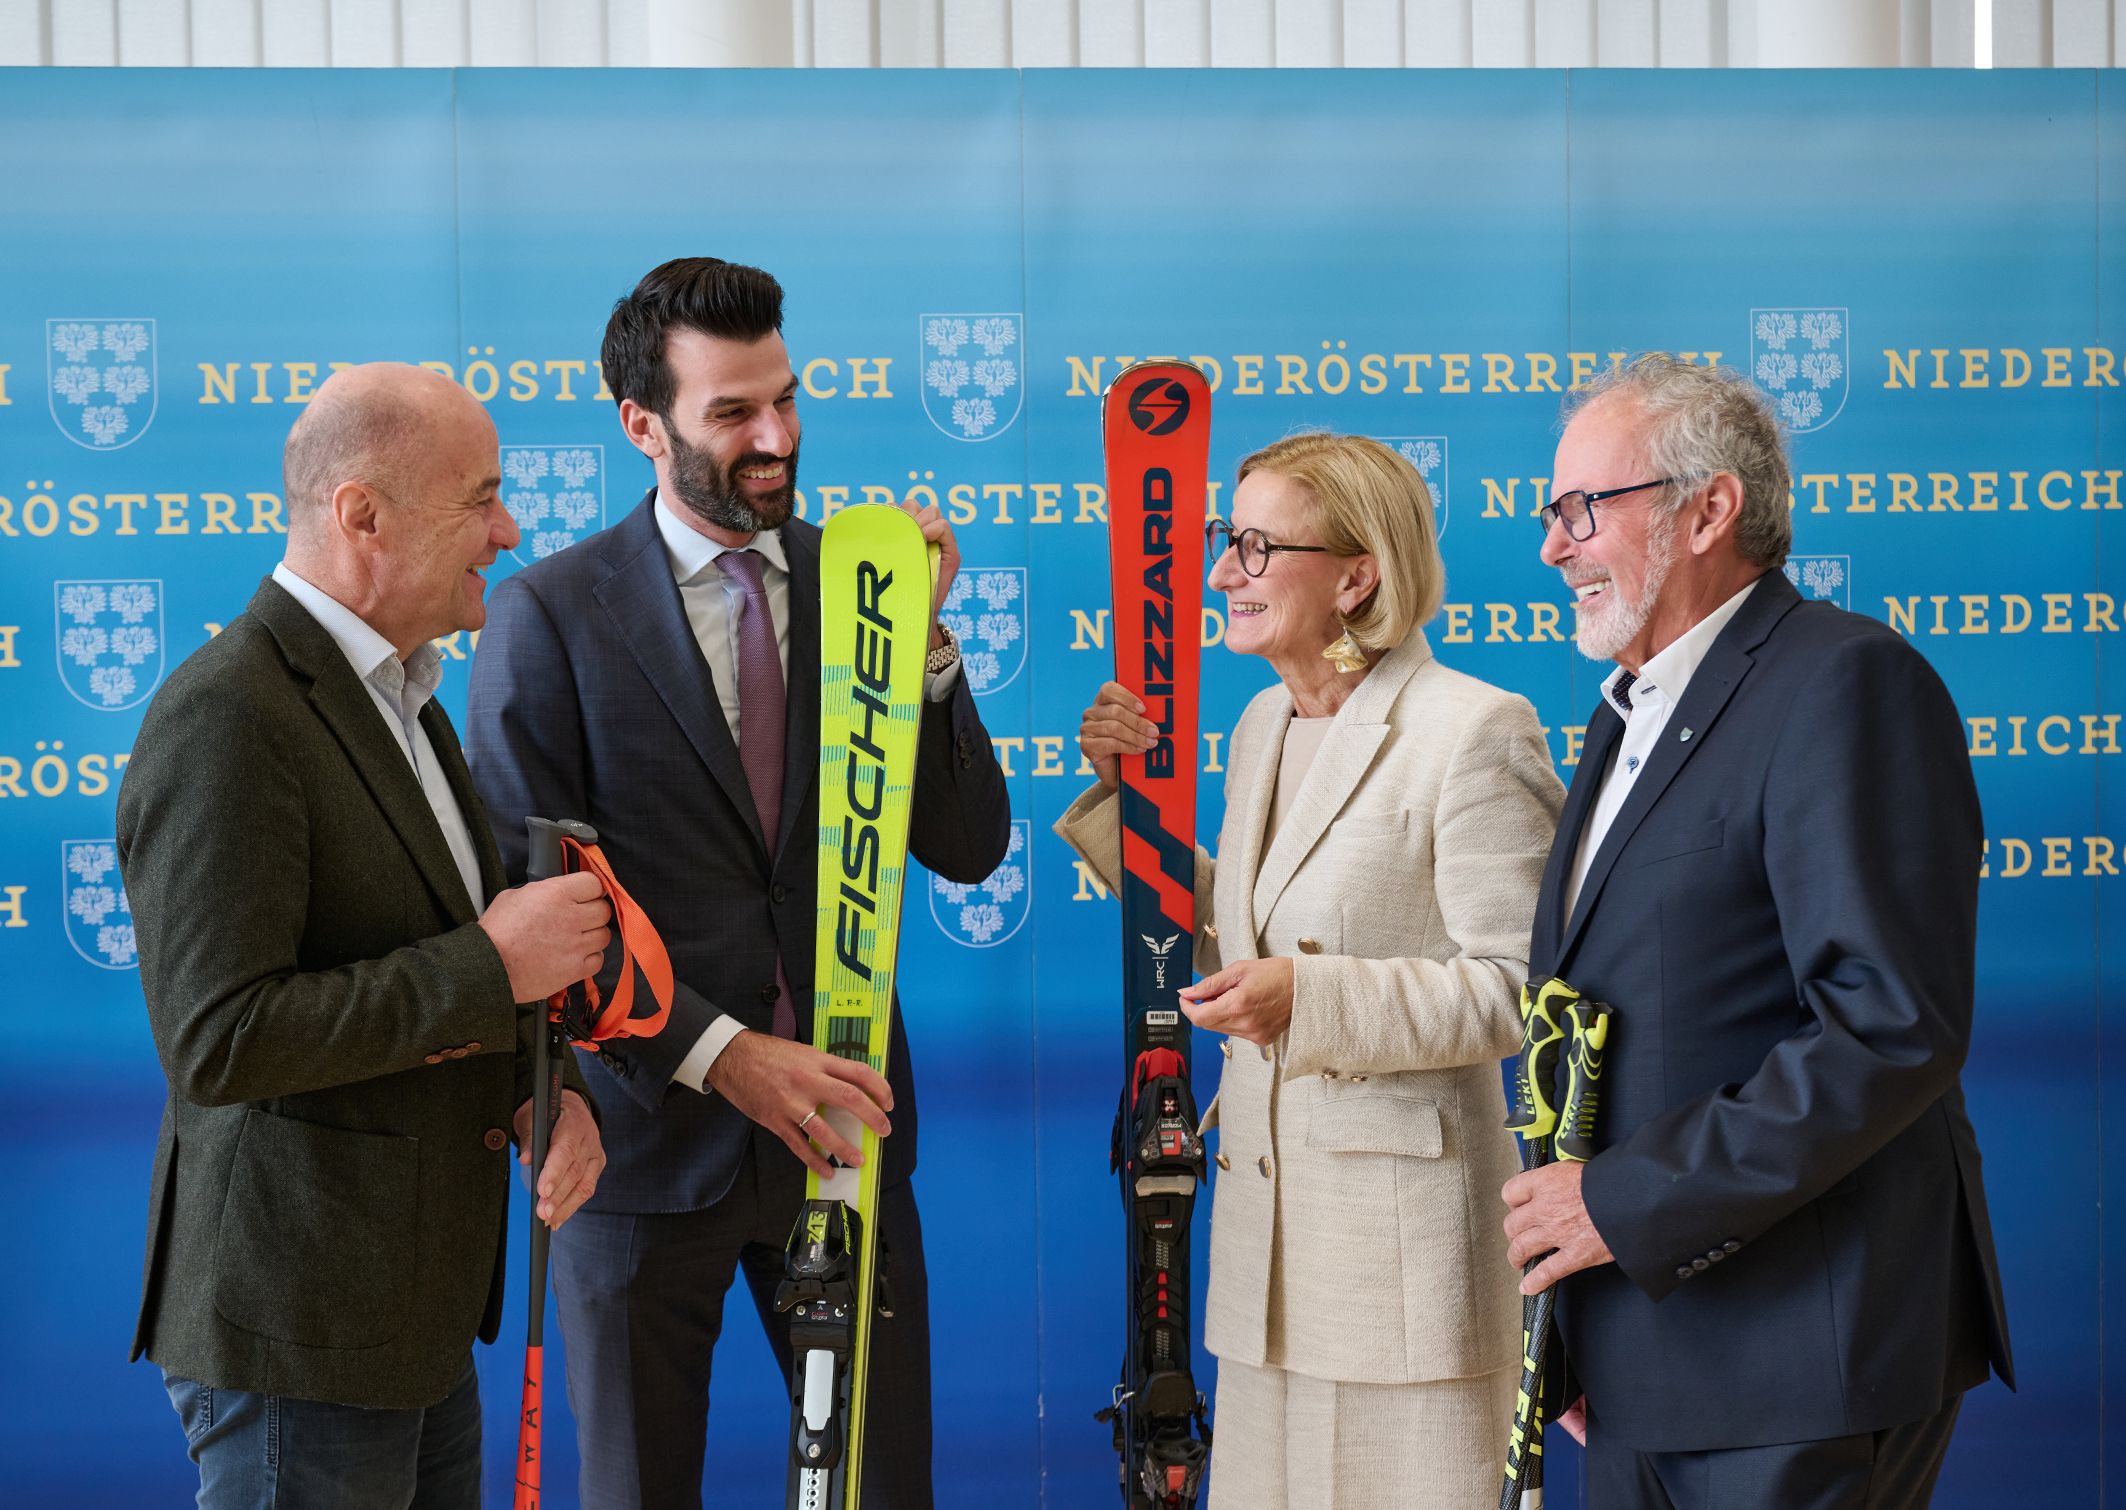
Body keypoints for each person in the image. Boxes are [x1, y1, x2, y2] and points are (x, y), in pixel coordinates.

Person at [464, 256, 1011, 1509]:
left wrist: (925, 645)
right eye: (731, 414)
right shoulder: (546, 616)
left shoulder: (862, 579)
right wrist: (721, 1053)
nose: (775, 439)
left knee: (881, 1488)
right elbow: (535, 910)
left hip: (848, 1127)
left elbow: (968, 846)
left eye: (785, 399)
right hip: (643, 1144)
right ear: (640, 426)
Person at [1501, 354, 2014, 1508]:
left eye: (1582, 508)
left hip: (1795, 1369)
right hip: (1648, 1348)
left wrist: (1616, 1208)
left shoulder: (1844, 682)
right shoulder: (1623, 715)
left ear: (1707, 509)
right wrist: (1578, 1323)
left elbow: (1888, 1027)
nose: (1552, 546)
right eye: (1551, 512)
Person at [115, 362, 612, 1509]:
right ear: (361, 515)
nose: (509, 526)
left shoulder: (408, 698)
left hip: (410, 1322)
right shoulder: (228, 714)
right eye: (479, 497)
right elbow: (220, 1039)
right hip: (299, 1332)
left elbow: (458, 945)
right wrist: (491, 968)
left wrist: (554, 1086)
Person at [1063, 432, 1563, 1509]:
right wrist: (1122, 805)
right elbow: (1237, 956)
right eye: (1220, 540)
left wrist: (1311, 998)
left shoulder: (1472, 730)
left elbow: (1519, 986)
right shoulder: (1259, 725)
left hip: (1405, 1278)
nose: (1219, 573)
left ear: (1355, 573)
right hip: (1264, 1273)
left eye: (1254, 545)